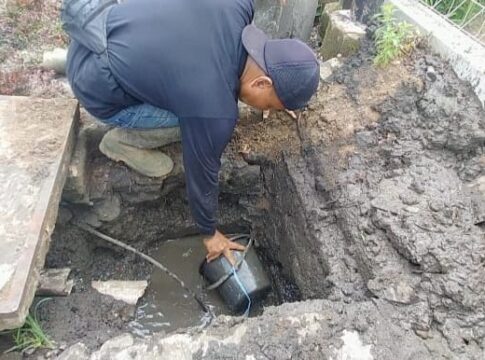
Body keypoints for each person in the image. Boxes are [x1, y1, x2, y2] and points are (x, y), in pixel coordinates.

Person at [63, 0, 319, 265]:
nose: (265, 110)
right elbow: (201, 170)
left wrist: (283, 98)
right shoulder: (214, 110)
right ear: (262, 82)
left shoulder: (238, 6)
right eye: (268, 104)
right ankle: (121, 143)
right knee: (184, 121)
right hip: (96, 87)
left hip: (96, 31)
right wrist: (209, 233)